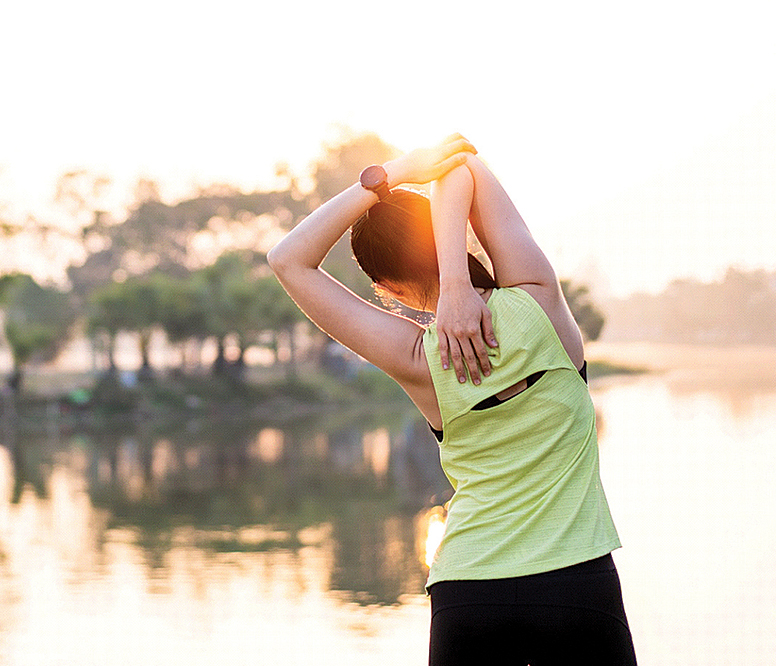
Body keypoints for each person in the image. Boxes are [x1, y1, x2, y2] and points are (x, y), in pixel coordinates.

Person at [267, 134, 637, 665]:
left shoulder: (418, 358)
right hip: (576, 586)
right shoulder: (539, 303)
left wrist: (388, 174)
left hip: (469, 596)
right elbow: (461, 162)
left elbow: (288, 260)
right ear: (457, 242)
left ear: (388, 289)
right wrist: (459, 280)